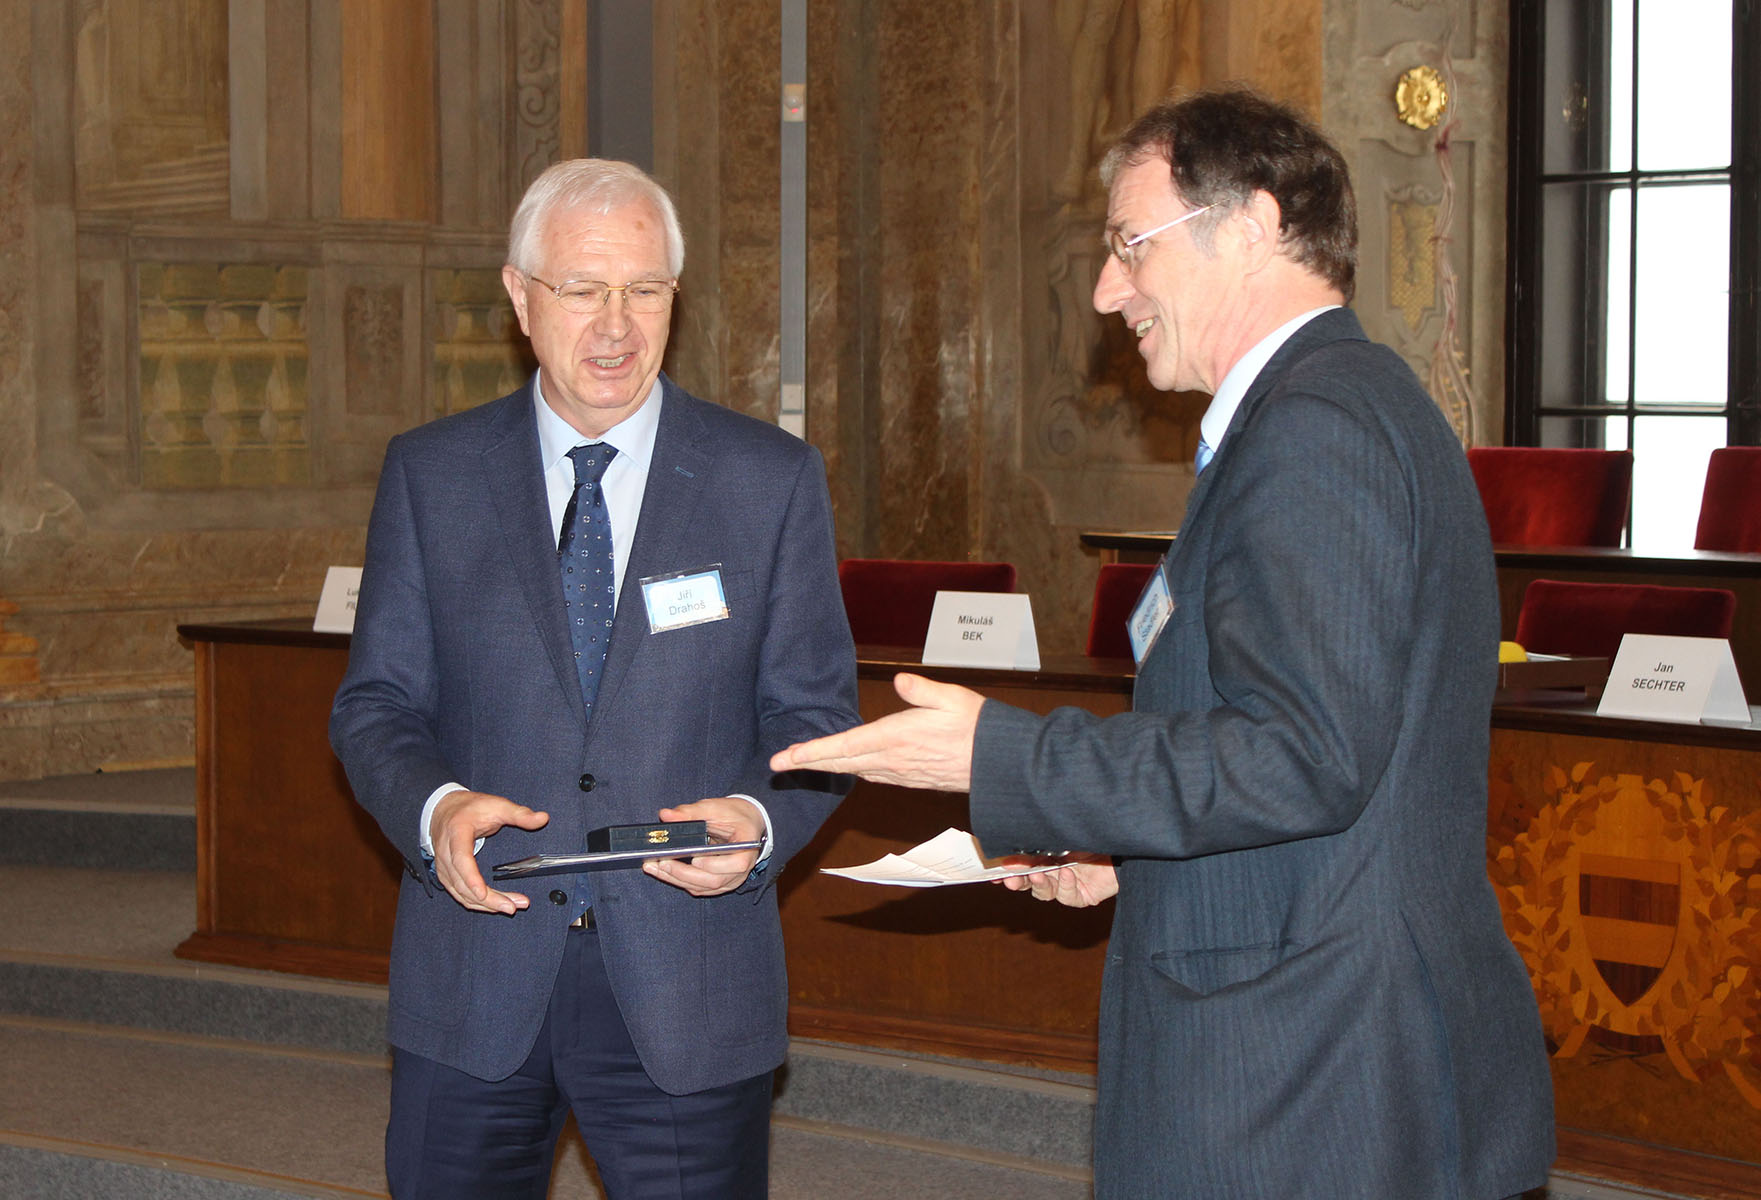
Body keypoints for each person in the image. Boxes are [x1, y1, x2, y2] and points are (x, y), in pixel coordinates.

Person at [773, 88, 1555, 1198]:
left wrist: (1000, 756)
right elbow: (1323, 765)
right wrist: (1125, 853)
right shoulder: (1335, 403)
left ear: (1251, 226)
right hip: (1318, 1032)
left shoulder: (1316, 428)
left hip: (1311, 1070)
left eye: (1130, 244)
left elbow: (1305, 755)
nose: (1106, 289)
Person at [330, 158, 858, 1199]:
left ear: (675, 297)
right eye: (582, 289)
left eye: (644, 289)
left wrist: (756, 823)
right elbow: (376, 703)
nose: (616, 325)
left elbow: (814, 718)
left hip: (686, 981)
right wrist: (434, 808)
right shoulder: (432, 474)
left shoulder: (769, 480)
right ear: (520, 296)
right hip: (476, 973)